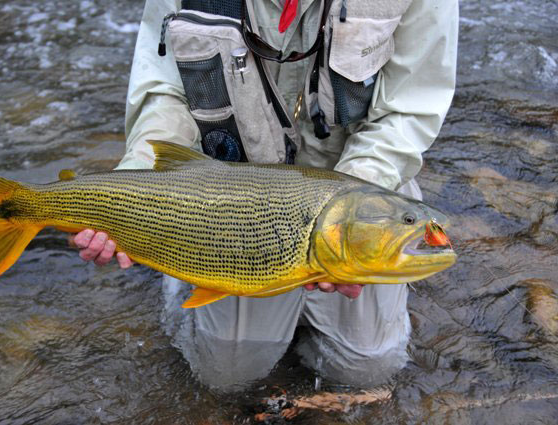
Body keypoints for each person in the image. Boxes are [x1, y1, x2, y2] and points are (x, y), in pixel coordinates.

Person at [71, 0, 458, 391]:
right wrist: (132, 189)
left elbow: (407, 111)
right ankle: (179, 262)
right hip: (225, 198)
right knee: (226, 377)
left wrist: (349, 203)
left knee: (367, 371)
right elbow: (167, 92)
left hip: (365, 182)